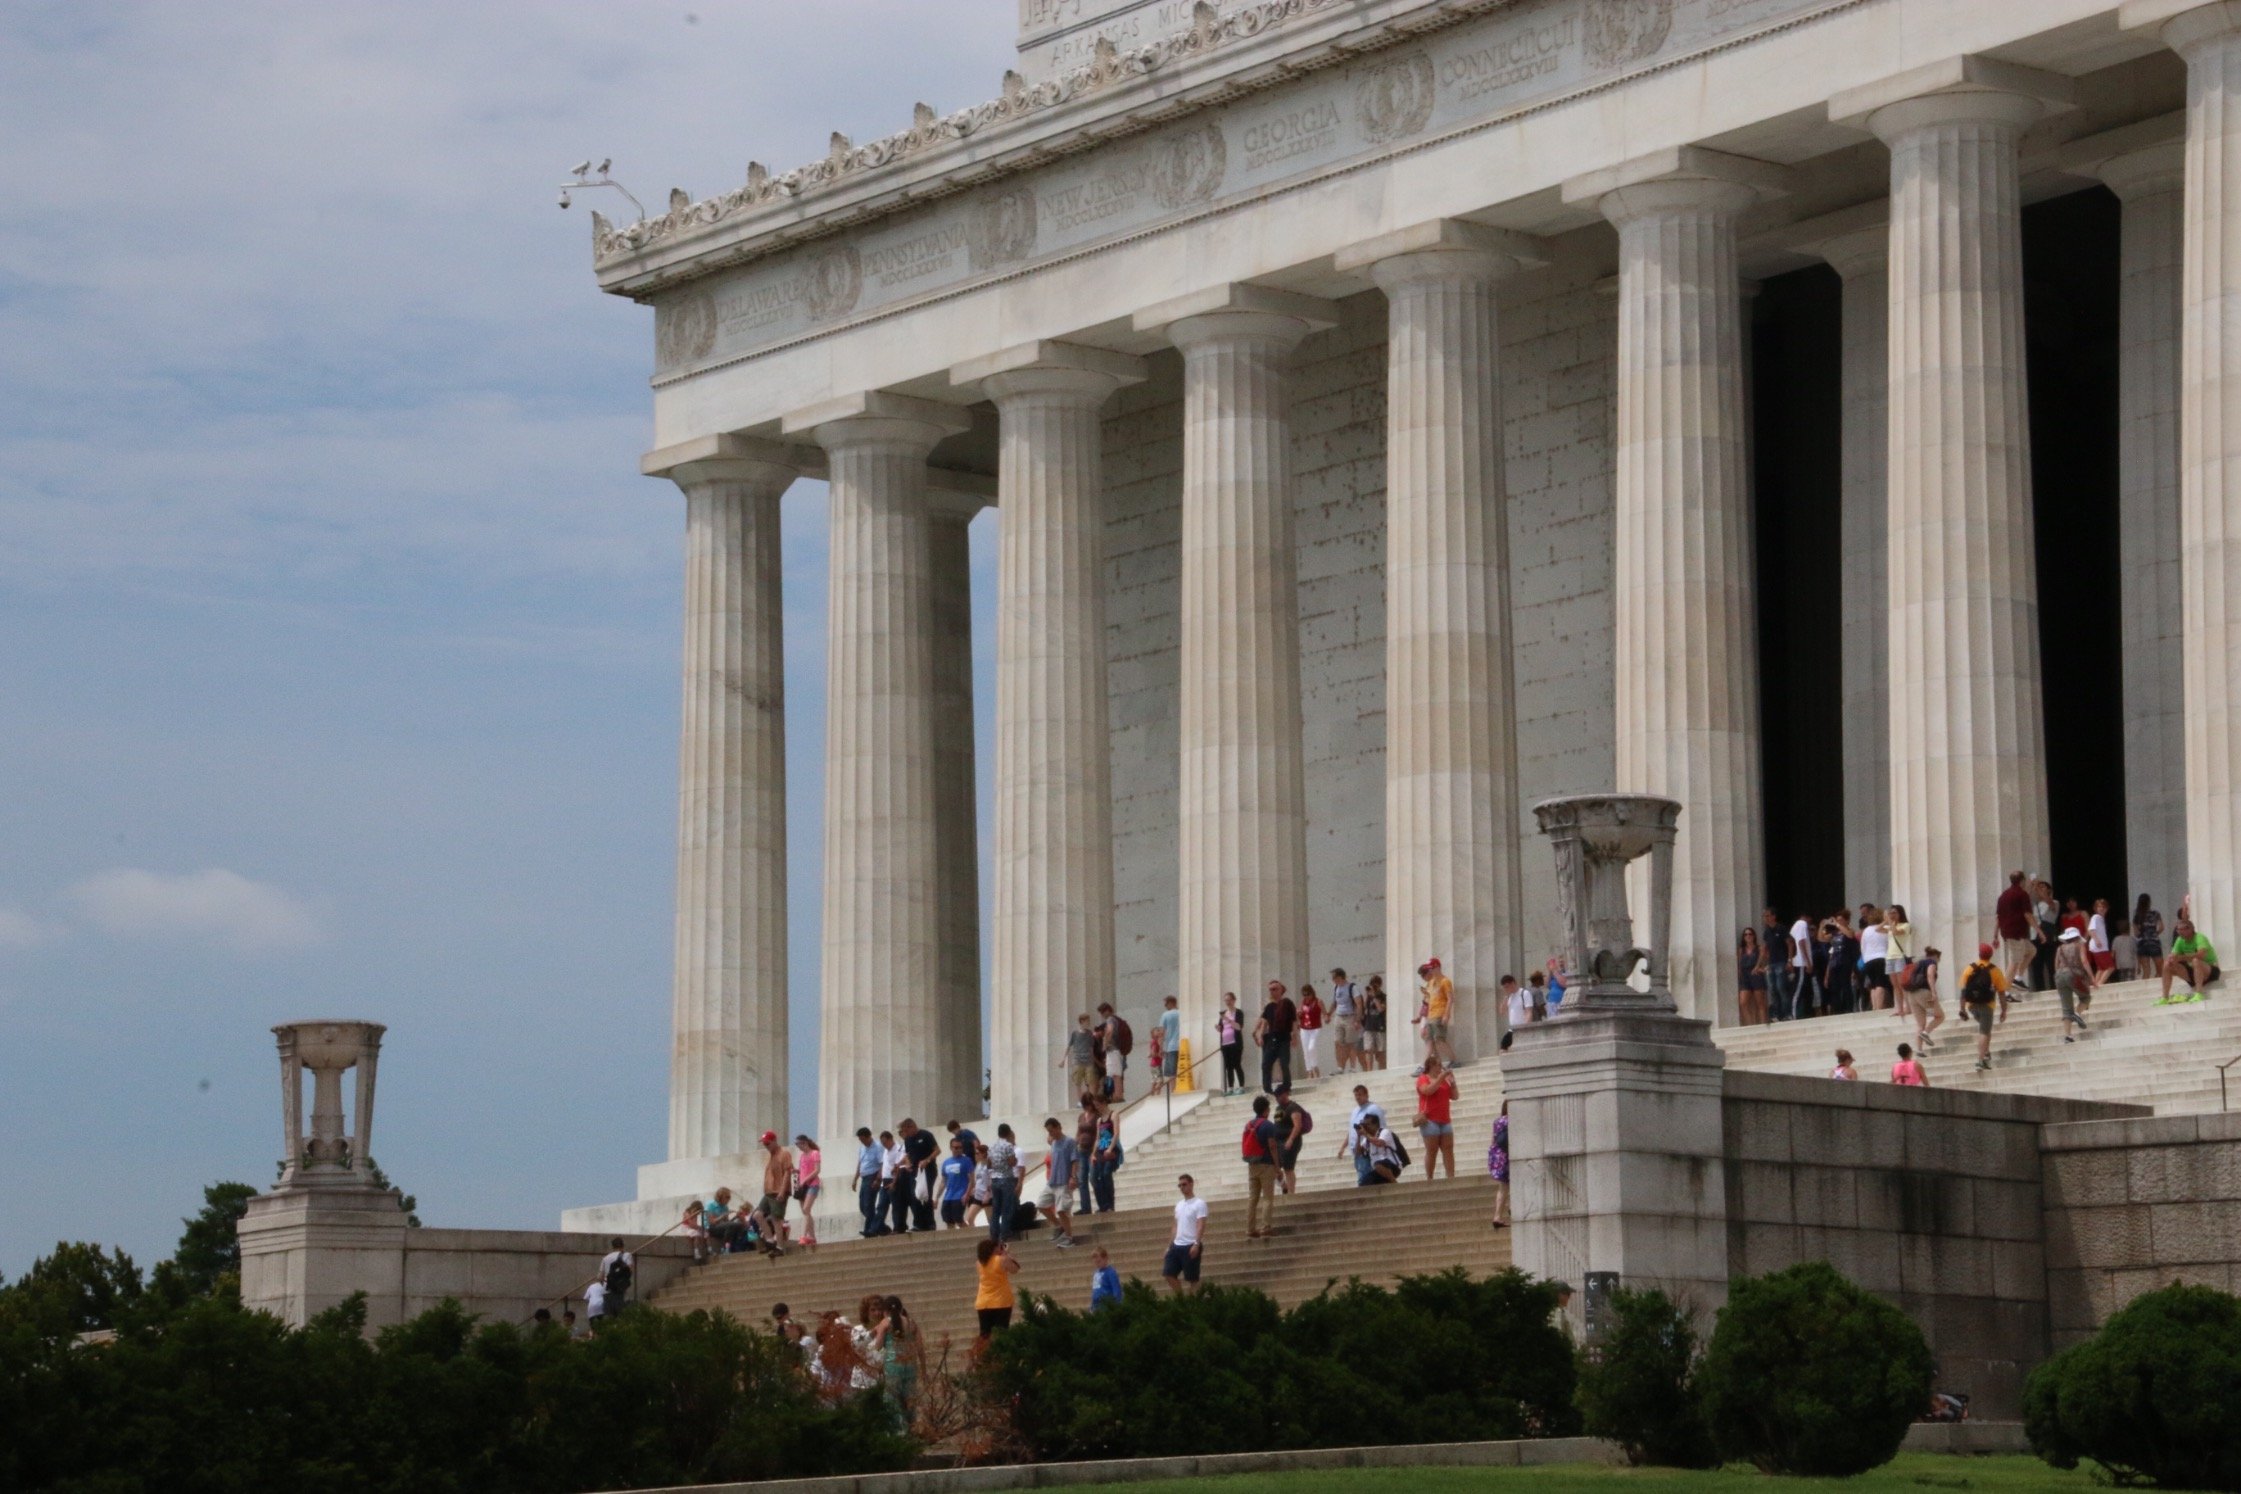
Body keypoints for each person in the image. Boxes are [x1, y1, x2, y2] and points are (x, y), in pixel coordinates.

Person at [1957, 943, 2010, 1071]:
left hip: (1972, 1005)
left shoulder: (1969, 969)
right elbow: (2002, 993)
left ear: (1979, 954)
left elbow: (1964, 991)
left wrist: (1962, 1009)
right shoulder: (1995, 971)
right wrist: (2004, 1010)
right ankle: (1980, 1061)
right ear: (1991, 956)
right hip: (1987, 1005)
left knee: (1985, 1029)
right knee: (1984, 1032)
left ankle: (1986, 1053)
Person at [1242, 1095, 1280, 1240]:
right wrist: (1277, 1166)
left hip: (1252, 1164)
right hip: (1266, 1164)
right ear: (1265, 1110)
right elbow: (1272, 1146)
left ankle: (1250, 1229)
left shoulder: (1248, 1125)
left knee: (1253, 1198)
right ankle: (1265, 1227)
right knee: (1267, 1197)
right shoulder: (1268, 1125)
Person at [1415, 1054, 1458, 1181]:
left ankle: (1451, 1176)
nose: (1441, 1068)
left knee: (1448, 1149)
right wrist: (1441, 1078)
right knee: (1432, 1150)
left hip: (1445, 1119)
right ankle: (1430, 1177)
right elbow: (1427, 1091)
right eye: (1439, 1065)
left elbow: (1454, 1096)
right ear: (1431, 1066)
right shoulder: (1423, 1078)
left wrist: (1453, 1083)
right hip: (1429, 1120)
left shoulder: (1444, 1080)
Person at [1164, 1174, 1209, 1293]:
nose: (1182, 1188)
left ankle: (1192, 1302)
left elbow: (1201, 1224)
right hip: (1177, 1245)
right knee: (1168, 1273)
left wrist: (1196, 1243)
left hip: (1190, 1244)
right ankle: (1181, 1300)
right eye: (1179, 1185)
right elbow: (1175, 1225)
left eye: (1184, 1184)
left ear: (1191, 1184)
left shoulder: (1199, 1203)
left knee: (1192, 1278)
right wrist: (1169, 1246)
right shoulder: (1179, 1205)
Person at [1041, 1117, 1082, 1248]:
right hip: (1052, 1182)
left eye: (1052, 1130)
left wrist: (1073, 1177)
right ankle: (1060, 1227)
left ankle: (1069, 1238)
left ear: (1059, 1127)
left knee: (1062, 1210)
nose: (1051, 1134)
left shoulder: (1069, 1142)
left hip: (1064, 1181)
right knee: (1041, 1204)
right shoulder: (1053, 1143)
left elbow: (1074, 1160)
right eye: (1049, 1132)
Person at [876, 1296, 919, 1420]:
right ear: (901, 1309)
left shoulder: (885, 1323)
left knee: (892, 1399)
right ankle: (911, 1425)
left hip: (892, 1365)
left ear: (885, 1311)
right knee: (909, 1398)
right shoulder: (911, 1322)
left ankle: (898, 1429)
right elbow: (920, 1348)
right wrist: (923, 1369)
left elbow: (877, 1346)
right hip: (910, 1364)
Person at [2163, 912, 2221, 1002]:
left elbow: (2201, 955)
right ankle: (2165, 997)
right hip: (2193, 972)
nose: (2179, 932)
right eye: (2178, 930)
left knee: (2196, 961)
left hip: (2210, 970)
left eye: (2182, 930)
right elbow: (2174, 955)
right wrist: (2172, 959)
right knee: (2167, 964)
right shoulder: (2179, 940)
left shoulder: (2199, 937)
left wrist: (2181, 957)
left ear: (2190, 929)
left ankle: (2199, 993)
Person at [1340, 1082, 1387, 1186]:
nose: (1358, 1098)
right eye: (1356, 1095)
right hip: (1357, 1150)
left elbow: (1381, 1128)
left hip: (1368, 1149)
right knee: (1362, 1175)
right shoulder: (1355, 1111)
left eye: (1360, 1095)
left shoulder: (1373, 1109)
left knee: (1365, 1178)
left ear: (1366, 1095)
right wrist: (1343, 1146)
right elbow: (1351, 1131)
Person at [1254, 980, 1297, 1093]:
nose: (1272, 991)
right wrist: (1260, 1036)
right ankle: (1267, 1088)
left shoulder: (1287, 1004)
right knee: (1266, 1064)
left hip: (1284, 1038)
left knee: (1284, 1063)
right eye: (1270, 989)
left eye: (1275, 989)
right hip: (1272, 1039)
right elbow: (1264, 1022)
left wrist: (1294, 1036)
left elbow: (1294, 1021)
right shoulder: (1269, 1007)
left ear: (1281, 990)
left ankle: (1287, 1086)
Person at [898, 1118, 939, 1234]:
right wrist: (907, 1163)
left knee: (926, 1195)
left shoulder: (926, 1135)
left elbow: (937, 1150)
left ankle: (930, 1223)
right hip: (915, 1171)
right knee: (914, 1196)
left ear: (912, 1126)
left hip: (927, 1170)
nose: (905, 1134)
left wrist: (927, 1160)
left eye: (906, 1130)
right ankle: (919, 1223)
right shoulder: (908, 1139)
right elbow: (907, 1154)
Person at [2053, 926, 2094, 1041]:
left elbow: (2056, 964)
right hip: (2074, 975)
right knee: (2086, 997)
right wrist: (2092, 977)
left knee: (2066, 1008)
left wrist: (2058, 977)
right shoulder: (2079, 946)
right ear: (2076, 937)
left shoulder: (2059, 948)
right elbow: (2084, 961)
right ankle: (2077, 1013)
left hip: (2060, 976)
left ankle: (2068, 1036)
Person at [1995, 869, 2035, 986]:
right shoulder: (2021, 894)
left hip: (2011, 933)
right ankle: (2005, 990)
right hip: (2015, 933)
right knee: (2014, 961)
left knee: (2031, 950)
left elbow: (1999, 917)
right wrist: (2039, 931)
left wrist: (1995, 935)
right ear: (2022, 880)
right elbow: (2027, 914)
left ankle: (2018, 978)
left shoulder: (2003, 896)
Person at [973, 1239, 1019, 1339]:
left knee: (985, 1334)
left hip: (983, 1302)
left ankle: (983, 1352)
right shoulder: (1001, 1259)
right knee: (1001, 1333)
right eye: (999, 1247)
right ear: (993, 1248)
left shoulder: (979, 1263)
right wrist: (1007, 1255)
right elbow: (1014, 1269)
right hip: (1001, 1301)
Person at [1903, 946, 1946, 1052]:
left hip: (1912, 994)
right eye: (1939, 958)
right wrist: (1933, 992)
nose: (1939, 961)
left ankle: (1919, 1050)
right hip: (1924, 992)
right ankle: (1926, 1033)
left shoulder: (1917, 963)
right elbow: (1930, 975)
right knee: (1940, 1016)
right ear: (1935, 956)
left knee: (1920, 1024)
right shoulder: (1931, 962)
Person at [758, 1131, 796, 1248]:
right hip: (769, 1191)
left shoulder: (784, 1154)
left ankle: (779, 1245)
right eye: (764, 1144)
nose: (766, 1146)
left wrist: (782, 1191)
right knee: (757, 1215)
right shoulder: (772, 1155)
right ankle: (769, 1239)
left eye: (768, 1144)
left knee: (777, 1220)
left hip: (778, 1191)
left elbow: (787, 1173)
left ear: (774, 1141)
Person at [1272, 1081, 1311, 1195]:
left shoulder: (1293, 1107)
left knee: (1288, 1168)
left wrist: (1291, 1139)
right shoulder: (1279, 1108)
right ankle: (1284, 1186)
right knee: (1274, 1167)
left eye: (1279, 1095)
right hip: (1278, 1142)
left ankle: (1291, 1192)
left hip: (1290, 1141)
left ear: (1285, 1094)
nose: (1277, 1098)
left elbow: (1297, 1125)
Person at [986, 1123, 1022, 1242]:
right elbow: (1012, 1162)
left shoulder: (992, 1147)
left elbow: (989, 1164)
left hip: (995, 1179)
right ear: (1008, 1133)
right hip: (1006, 1178)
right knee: (1007, 1207)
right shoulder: (1008, 1146)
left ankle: (993, 1233)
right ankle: (1005, 1233)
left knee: (996, 1209)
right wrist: (1015, 1160)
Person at [1418, 957, 1455, 1065]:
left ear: (1437, 967)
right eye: (1429, 969)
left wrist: (1446, 1014)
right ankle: (1425, 1065)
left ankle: (1453, 1060)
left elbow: (1450, 998)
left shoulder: (1445, 981)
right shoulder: (1431, 982)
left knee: (1439, 1040)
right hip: (1430, 1015)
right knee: (1429, 1041)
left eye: (1431, 968)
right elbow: (1427, 1000)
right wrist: (1422, 1019)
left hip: (1439, 1014)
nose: (1430, 971)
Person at [1859, 903, 1892, 1011]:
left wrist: (1865, 959)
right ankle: (1879, 1007)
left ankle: (1874, 1006)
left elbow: (1863, 946)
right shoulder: (1885, 928)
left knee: (1873, 985)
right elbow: (1889, 943)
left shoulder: (1866, 930)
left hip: (1868, 959)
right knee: (1880, 983)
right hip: (1881, 957)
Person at [1097, 1002, 1131, 1104]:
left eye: (1102, 1011)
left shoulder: (1111, 1019)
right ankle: (1118, 1094)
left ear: (1107, 1010)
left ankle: (1118, 1095)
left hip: (1113, 1049)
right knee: (1116, 1074)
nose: (1102, 1014)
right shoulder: (1116, 1019)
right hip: (1117, 1050)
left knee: (1116, 1074)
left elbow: (1109, 1031)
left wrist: (1104, 1044)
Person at [855, 1127, 885, 1238]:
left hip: (873, 1176)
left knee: (869, 1204)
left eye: (863, 1139)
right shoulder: (862, 1148)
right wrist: (855, 1178)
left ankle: (869, 1229)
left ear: (869, 1137)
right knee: (862, 1205)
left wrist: (878, 1178)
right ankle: (881, 1227)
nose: (862, 1142)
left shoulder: (877, 1147)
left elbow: (882, 1163)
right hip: (864, 1177)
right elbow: (860, 1163)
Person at [1062, 1014, 1099, 1106]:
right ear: (1082, 1021)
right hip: (1078, 1060)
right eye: (1087, 1021)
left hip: (1089, 1061)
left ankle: (1090, 1100)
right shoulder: (1075, 1034)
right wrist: (1063, 1059)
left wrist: (1094, 1060)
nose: (1088, 1023)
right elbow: (1069, 1046)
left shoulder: (1090, 1033)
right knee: (1078, 1082)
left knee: (1091, 1081)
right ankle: (1080, 1101)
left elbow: (1091, 1048)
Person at [793, 1135, 822, 1251]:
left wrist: (805, 1179)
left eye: (798, 1144)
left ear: (804, 1143)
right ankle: (812, 1236)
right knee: (806, 1211)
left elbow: (817, 1170)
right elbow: (803, 1170)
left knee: (806, 1209)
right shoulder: (802, 1156)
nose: (798, 1147)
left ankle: (804, 1235)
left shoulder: (815, 1153)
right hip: (802, 1186)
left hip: (813, 1184)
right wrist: (797, 1172)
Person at [1329, 967, 1361, 1073]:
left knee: (1350, 1042)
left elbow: (1359, 1004)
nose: (1333, 979)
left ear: (1340, 977)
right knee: (1337, 1042)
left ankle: (1352, 1067)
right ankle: (1340, 1067)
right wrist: (1329, 1014)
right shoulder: (1336, 988)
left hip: (1350, 1016)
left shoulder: (1352, 987)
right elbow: (1334, 1003)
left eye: (1334, 977)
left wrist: (1357, 1020)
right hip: (1339, 1016)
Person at [938, 1136, 974, 1228]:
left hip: (960, 1195)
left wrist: (967, 1194)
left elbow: (971, 1180)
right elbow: (943, 1181)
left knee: (958, 1219)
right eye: (956, 1148)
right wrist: (937, 1197)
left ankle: (968, 1235)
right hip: (948, 1196)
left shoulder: (966, 1161)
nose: (959, 1150)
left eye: (961, 1147)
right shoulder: (946, 1162)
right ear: (951, 1148)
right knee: (948, 1220)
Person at [1356, 1113, 1403, 1184]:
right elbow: (1358, 1152)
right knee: (1364, 1182)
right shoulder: (1367, 1139)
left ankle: (1394, 1183)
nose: (1366, 1127)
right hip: (1377, 1169)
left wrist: (1365, 1134)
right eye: (1365, 1125)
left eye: (1368, 1124)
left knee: (1378, 1164)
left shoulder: (1385, 1132)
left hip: (1392, 1165)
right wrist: (1358, 1136)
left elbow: (1379, 1143)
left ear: (1375, 1125)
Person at [1216, 993, 1247, 1094]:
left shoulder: (1238, 1012)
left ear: (1234, 1000)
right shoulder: (1224, 1013)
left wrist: (1228, 1020)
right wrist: (1218, 1028)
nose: (1227, 1002)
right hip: (1225, 1043)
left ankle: (1241, 1086)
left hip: (1235, 1042)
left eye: (1229, 1000)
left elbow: (1239, 1027)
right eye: (1226, 1000)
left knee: (1236, 1064)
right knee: (1228, 1066)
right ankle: (1230, 1088)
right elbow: (1222, 1028)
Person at [877, 1129, 906, 1235]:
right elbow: (884, 1164)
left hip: (893, 1179)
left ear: (890, 1139)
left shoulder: (898, 1149)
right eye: (882, 1143)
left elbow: (898, 1167)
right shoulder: (886, 1150)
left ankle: (898, 1227)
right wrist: (879, 1178)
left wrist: (894, 1182)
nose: (884, 1145)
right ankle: (880, 1227)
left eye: (885, 1142)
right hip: (884, 1180)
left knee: (896, 1205)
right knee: (881, 1206)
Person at [1737, 927, 1766, 1026]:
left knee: (1760, 1002)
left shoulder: (1759, 948)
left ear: (1754, 936)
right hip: (1745, 976)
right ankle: (1750, 1025)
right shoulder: (1742, 950)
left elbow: (1763, 961)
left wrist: (1758, 968)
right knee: (1743, 1003)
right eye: (1746, 934)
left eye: (1750, 934)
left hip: (1755, 974)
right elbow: (1739, 963)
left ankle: (1762, 1024)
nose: (1748, 936)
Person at [1487, 1101, 1510, 1226]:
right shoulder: (1513, 1121)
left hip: (1498, 1157)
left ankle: (1497, 1215)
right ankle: (1513, 1208)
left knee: (1503, 1187)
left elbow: (1493, 1141)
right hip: (1509, 1156)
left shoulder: (1498, 1121)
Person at [1297, 982, 1326, 1079]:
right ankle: (1309, 1071)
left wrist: (1326, 1017)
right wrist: (1298, 1014)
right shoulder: (1303, 1002)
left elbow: (1324, 1013)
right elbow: (1299, 1014)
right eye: (1304, 995)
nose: (1307, 997)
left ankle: (1315, 1067)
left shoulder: (1319, 1001)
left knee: (1311, 1047)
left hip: (1315, 1028)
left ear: (1312, 993)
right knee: (1305, 1050)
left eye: (1308, 994)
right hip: (1304, 1028)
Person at [2133, 893, 2165, 980]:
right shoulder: (2155, 914)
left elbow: (2136, 933)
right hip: (2154, 943)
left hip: (2142, 944)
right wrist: (2155, 934)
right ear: (2149, 902)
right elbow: (2162, 927)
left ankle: (2145, 990)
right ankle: (2158, 987)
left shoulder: (2137, 916)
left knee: (2146, 971)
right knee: (2160, 969)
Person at [1156, 995, 1183, 1093]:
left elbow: (1161, 1032)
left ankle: (1173, 1090)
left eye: (1166, 1004)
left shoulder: (1165, 1015)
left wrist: (1160, 1048)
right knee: (1181, 1069)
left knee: (1172, 1072)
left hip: (1171, 1046)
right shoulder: (1182, 1013)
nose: (1165, 1006)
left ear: (1171, 1003)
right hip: (1182, 1045)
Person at [1361, 975, 1389, 1069]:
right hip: (1369, 1026)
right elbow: (1363, 1008)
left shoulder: (1383, 996)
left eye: (1375, 985)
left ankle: (1381, 1070)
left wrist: (1374, 997)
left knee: (1380, 1052)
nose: (1373, 987)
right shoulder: (1369, 997)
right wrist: (1367, 996)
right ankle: (1369, 1070)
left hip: (1380, 1026)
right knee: (1368, 1050)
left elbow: (1381, 1009)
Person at [2087, 898, 2116, 988]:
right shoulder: (2096, 917)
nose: (2102, 908)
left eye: (2103, 907)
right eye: (2099, 907)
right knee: (2110, 967)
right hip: (2100, 947)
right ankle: (2100, 985)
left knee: (2101, 968)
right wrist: (2097, 940)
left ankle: (2095, 984)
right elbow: (2091, 930)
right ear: (2095, 908)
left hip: (2099, 947)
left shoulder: (2100, 919)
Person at [1089, 1245, 1123, 1311]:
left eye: (1099, 1261)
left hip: (1107, 1303)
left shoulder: (1110, 1272)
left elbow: (1116, 1289)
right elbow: (1095, 1290)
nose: (1097, 1264)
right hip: (1097, 1304)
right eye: (1095, 1262)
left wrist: (1116, 1304)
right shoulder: (1096, 1273)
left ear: (1105, 1258)